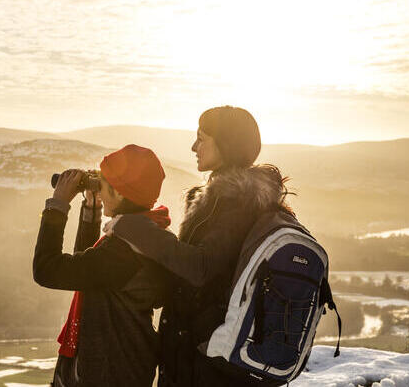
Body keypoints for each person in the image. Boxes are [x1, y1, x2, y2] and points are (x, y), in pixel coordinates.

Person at [105, 106, 295, 387]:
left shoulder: (237, 202)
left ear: (226, 144)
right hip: (200, 352)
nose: (194, 146)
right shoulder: (221, 199)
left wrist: (133, 226)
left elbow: (200, 268)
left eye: (201, 138)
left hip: (206, 361)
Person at [33, 144, 173, 387]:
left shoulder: (123, 253)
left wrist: (57, 205)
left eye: (103, 184)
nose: (98, 188)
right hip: (121, 366)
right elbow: (88, 272)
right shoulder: (144, 237)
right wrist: (92, 208)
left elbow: (47, 270)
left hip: (105, 373)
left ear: (119, 193)